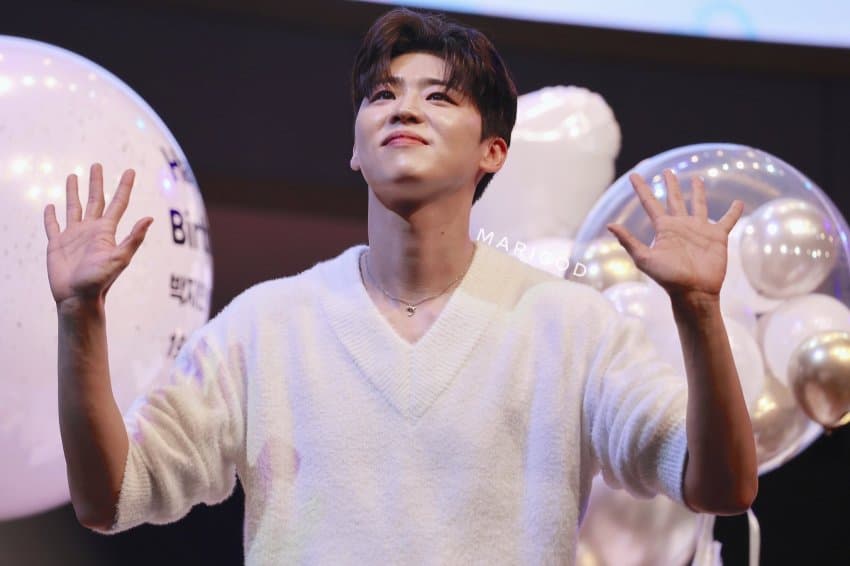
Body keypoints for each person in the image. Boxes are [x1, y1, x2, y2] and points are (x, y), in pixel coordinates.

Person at [44, 7, 757, 565]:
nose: (404, 109)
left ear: (493, 151)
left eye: (439, 97)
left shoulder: (571, 325)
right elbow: (110, 496)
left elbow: (721, 486)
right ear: (355, 150)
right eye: (383, 95)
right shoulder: (266, 324)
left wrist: (699, 311)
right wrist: (81, 316)